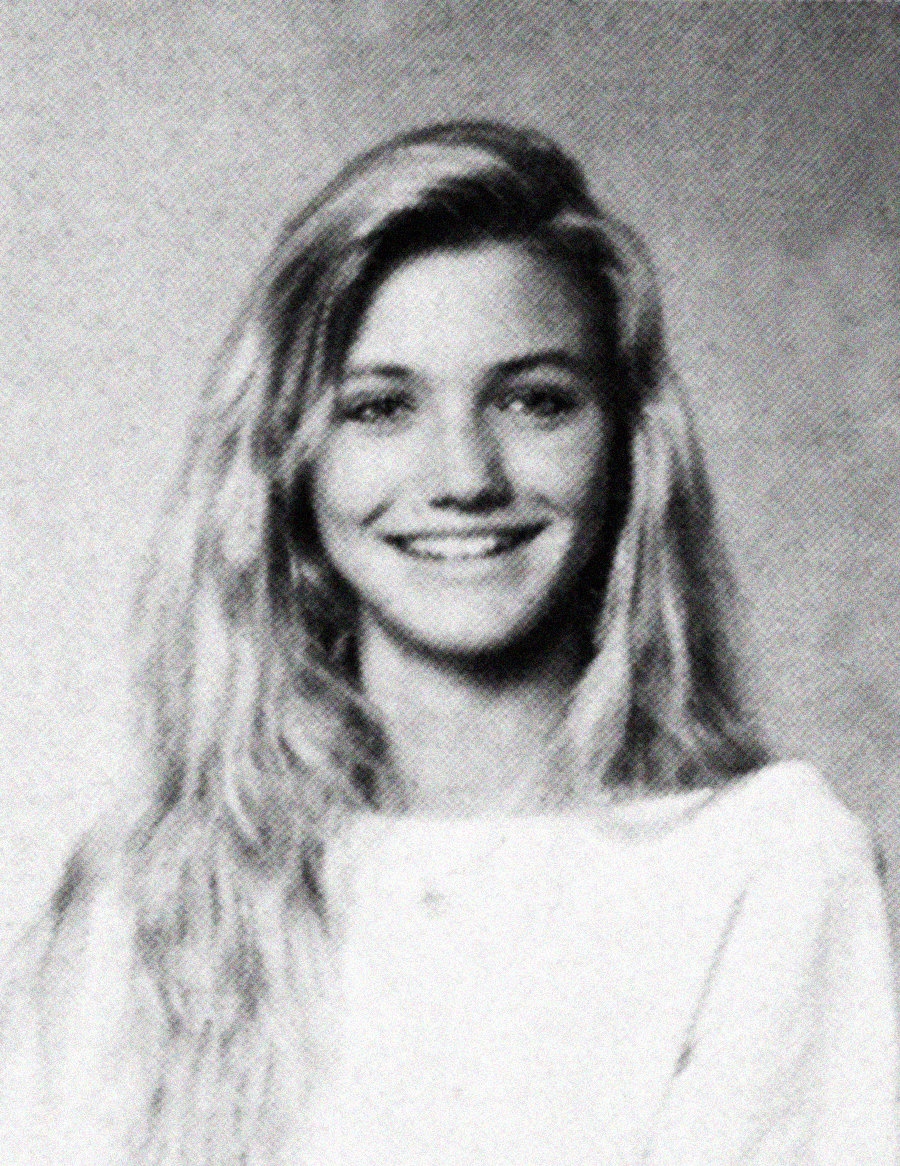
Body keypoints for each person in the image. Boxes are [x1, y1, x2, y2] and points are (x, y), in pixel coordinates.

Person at [0, 120, 896, 1166]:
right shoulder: (149, 896)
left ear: (627, 451)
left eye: (535, 400)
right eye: (381, 407)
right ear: (291, 465)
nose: (465, 472)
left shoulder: (767, 862)